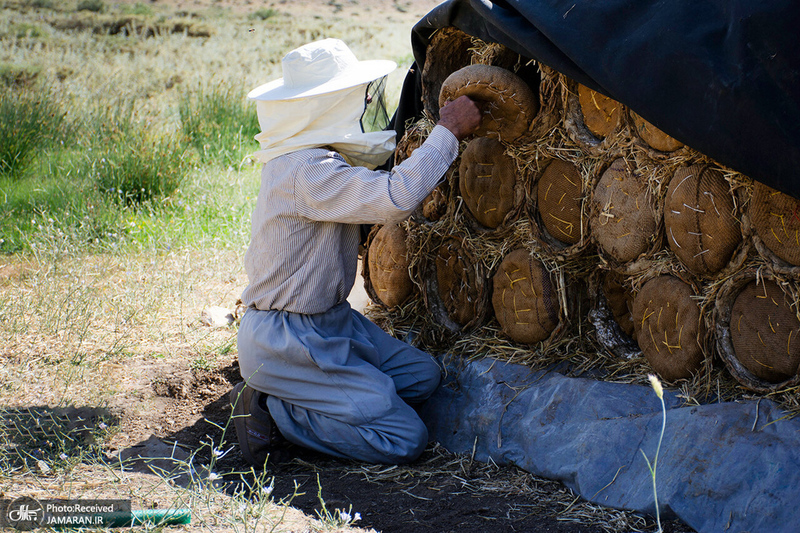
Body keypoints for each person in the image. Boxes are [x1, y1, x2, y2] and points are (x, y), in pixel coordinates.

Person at [231, 38, 481, 467]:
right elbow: (394, 197)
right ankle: (276, 412)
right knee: (403, 438)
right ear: (329, 104)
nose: (365, 100)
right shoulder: (307, 172)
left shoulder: (309, 161)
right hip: (290, 338)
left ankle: (306, 392)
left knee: (422, 378)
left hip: (330, 322)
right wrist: (447, 133)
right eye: (357, 94)